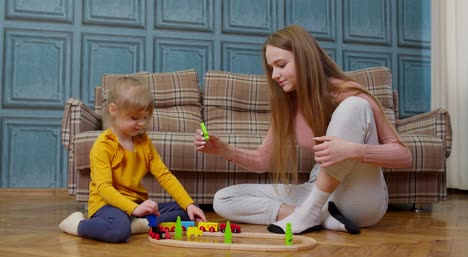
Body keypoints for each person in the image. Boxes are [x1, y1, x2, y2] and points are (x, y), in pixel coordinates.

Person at [193, 25, 411, 235]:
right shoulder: (288, 105)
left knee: (354, 106)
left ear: (305, 59)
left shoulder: (352, 95)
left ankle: (311, 212)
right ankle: (317, 217)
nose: (275, 75)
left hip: (360, 200)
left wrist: (353, 150)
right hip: (319, 194)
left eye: (281, 65)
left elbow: (404, 156)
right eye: (271, 69)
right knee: (223, 199)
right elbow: (262, 161)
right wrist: (223, 149)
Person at [60, 77, 206, 243]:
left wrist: (189, 204)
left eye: (145, 118)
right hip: (107, 205)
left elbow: (164, 175)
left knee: (189, 211)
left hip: (135, 203)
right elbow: (104, 189)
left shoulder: (144, 142)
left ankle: (138, 222)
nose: (141, 124)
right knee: (118, 231)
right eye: (135, 118)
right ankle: (77, 225)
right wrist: (134, 208)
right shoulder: (103, 145)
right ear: (113, 110)